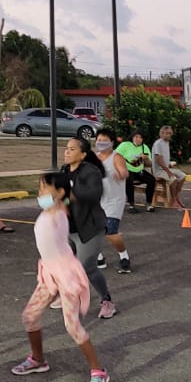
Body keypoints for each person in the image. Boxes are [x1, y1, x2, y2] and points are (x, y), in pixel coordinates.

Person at [10, 172, 110, 382]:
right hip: (49, 272)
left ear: (60, 192)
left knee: (72, 325)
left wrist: (64, 201)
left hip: (66, 274)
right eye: (39, 188)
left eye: (45, 188)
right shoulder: (50, 210)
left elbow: (64, 208)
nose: (40, 192)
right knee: (30, 315)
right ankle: (38, 359)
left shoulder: (57, 213)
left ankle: (99, 371)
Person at [60, 137, 116, 319]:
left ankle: (107, 301)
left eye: (72, 149)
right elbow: (51, 197)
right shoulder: (64, 171)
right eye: (66, 148)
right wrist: (45, 202)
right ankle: (69, 296)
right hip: (69, 228)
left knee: (87, 267)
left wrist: (67, 196)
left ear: (83, 154)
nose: (67, 152)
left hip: (90, 229)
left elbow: (93, 194)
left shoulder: (90, 172)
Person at [94, 127, 133, 274]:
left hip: (114, 201)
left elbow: (124, 172)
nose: (101, 143)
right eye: (99, 140)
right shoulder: (94, 158)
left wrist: (120, 174)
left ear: (112, 142)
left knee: (110, 231)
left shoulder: (116, 157)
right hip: (97, 200)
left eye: (105, 141)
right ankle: (99, 258)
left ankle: (124, 258)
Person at [116, 130, 156, 211]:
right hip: (127, 169)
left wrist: (146, 158)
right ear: (132, 137)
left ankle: (149, 203)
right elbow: (115, 156)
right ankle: (131, 205)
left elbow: (149, 164)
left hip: (139, 171)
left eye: (140, 138)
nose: (138, 139)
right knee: (129, 180)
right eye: (136, 137)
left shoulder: (144, 147)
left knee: (152, 180)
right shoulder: (125, 145)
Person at [151, 124, 187, 209]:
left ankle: (176, 197)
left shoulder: (166, 143)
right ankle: (173, 200)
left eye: (170, 133)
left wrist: (170, 165)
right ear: (162, 133)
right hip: (159, 171)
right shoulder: (158, 144)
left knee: (182, 176)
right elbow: (159, 160)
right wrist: (168, 171)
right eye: (167, 133)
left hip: (166, 168)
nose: (169, 135)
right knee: (173, 179)